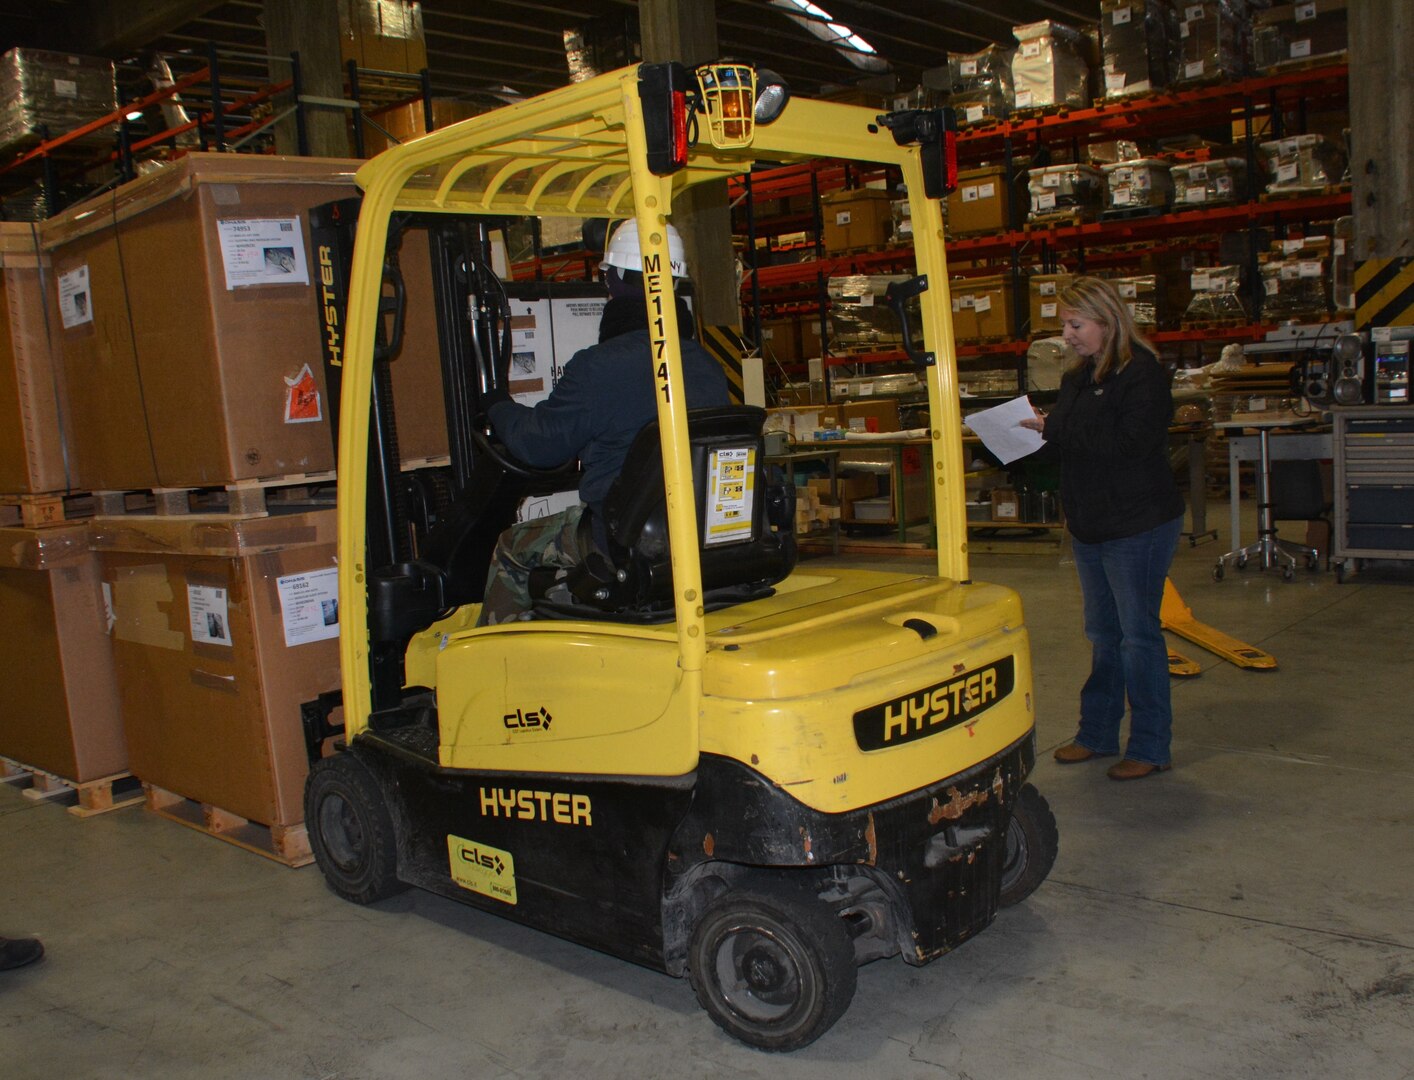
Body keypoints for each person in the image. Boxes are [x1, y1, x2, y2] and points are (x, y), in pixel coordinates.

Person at [476, 220, 731, 624]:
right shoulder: (707, 366)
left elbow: (539, 446)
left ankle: (492, 669)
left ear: (612, 283)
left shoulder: (600, 366)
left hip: (622, 541)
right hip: (697, 535)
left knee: (511, 547)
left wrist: (496, 405)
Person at [1020, 276, 1184, 781]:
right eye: (1064, 325)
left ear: (1108, 320)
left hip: (1137, 523)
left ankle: (1152, 746)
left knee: (1138, 637)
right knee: (1102, 634)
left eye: (1075, 324)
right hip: (1091, 523)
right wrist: (1030, 431)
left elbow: (1130, 442)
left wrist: (1060, 428)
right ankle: (1096, 733)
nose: (1067, 335)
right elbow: (1070, 437)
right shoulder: (1076, 377)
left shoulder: (1143, 375)